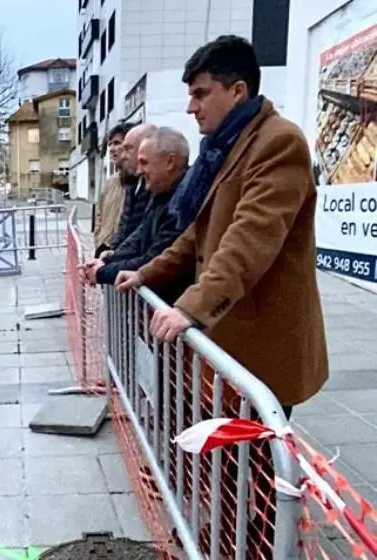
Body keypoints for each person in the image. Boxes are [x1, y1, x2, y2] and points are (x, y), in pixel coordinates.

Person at [115, 35, 328, 557]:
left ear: (237, 90)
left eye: (201, 93)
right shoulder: (226, 149)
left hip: (263, 341)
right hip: (229, 342)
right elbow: (197, 235)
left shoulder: (278, 142)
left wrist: (190, 305)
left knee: (257, 466)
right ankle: (233, 537)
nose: (191, 107)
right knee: (232, 463)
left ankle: (258, 545)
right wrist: (145, 272)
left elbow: (249, 238)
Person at [81, 127, 192, 304]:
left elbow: (154, 256)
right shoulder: (160, 194)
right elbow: (138, 235)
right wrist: (110, 257)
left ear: (170, 162)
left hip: (173, 303)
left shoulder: (184, 201)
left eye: (145, 163)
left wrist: (103, 272)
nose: (139, 171)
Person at [103, 123, 157, 260]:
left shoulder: (155, 185)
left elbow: (142, 233)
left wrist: (114, 258)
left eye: (127, 148)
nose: (123, 155)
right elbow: (121, 223)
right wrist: (110, 251)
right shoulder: (128, 183)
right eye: (110, 144)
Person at [93, 122, 136, 257]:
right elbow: (100, 213)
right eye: (110, 144)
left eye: (117, 143)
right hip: (103, 247)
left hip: (125, 252)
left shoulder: (142, 180)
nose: (112, 148)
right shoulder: (110, 181)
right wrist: (98, 237)